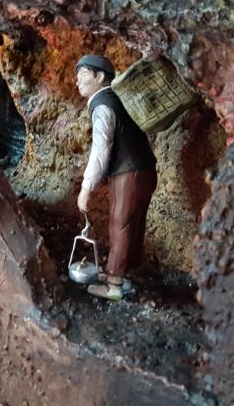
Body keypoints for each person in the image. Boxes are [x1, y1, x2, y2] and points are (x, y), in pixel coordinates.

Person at [76, 54, 158, 300]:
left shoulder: (103, 105)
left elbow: (100, 150)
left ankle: (114, 283)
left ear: (100, 76)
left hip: (128, 173)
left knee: (120, 225)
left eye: (83, 75)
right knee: (134, 224)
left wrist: (86, 188)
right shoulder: (118, 98)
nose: (77, 81)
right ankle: (125, 273)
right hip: (145, 169)